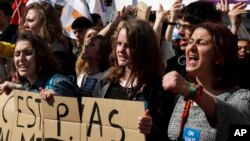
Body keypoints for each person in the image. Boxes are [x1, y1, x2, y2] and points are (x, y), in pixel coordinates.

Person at [162, 21, 250, 140]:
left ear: (219, 56)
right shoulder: (184, 98)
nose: (191, 47)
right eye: (191, 41)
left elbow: (235, 122)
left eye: (200, 43)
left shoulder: (240, 97)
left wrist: (191, 90)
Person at [99, 19, 174, 141]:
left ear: (143, 49)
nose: (121, 50)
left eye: (128, 46)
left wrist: (151, 129)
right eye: (119, 43)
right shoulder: (108, 79)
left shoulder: (158, 87)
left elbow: (167, 135)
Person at [0, 31, 83, 99]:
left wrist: (59, 98)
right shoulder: (28, 85)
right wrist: (18, 88)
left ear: (40, 55)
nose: (21, 59)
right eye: (17, 54)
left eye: (28, 53)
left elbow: (72, 111)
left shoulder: (58, 84)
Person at [18, 2, 77, 78]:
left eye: (30, 20)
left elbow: (61, 87)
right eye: (25, 20)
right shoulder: (34, 49)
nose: (25, 25)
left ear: (45, 24)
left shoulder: (58, 54)